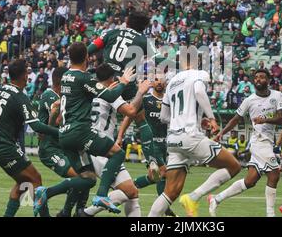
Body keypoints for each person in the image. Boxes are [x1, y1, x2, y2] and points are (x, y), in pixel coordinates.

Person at [34, 42, 135, 215]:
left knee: (87, 179)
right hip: (80, 132)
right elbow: (109, 95)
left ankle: (47, 192)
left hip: (65, 135)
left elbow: (86, 94)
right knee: (117, 153)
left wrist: (103, 88)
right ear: (87, 58)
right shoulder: (84, 77)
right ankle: (102, 195)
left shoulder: (66, 76)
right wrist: (123, 82)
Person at [148, 67, 241, 217]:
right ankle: (193, 197)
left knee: (170, 192)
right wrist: (211, 118)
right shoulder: (200, 74)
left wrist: (192, 120)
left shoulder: (172, 82)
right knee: (234, 166)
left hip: (173, 140)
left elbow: (164, 118)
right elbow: (199, 92)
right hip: (190, 136)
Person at [0, 59, 60, 217]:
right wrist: (60, 133)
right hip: (4, 146)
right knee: (36, 179)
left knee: (23, 182)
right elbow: (36, 126)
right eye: (27, 72)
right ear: (24, 76)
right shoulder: (20, 97)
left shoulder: (0, 89)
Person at [87, 11, 163, 180]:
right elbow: (159, 60)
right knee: (141, 119)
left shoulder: (110, 32)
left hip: (102, 77)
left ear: (127, 21)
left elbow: (89, 50)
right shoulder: (144, 40)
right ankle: (151, 161)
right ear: (143, 27)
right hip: (125, 79)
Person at [209, 69, 282, 217]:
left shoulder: (277, 95)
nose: (258, 79)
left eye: (262, 77)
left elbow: (281, 118)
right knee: (275, 174)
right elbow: (235, 119)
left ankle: (216, 199)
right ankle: (270, 214)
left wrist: (264, 120)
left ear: (268, 80)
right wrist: (221, 133)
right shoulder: (249, 100)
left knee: (250, 181)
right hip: (258, 142)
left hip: (268, 142)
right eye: (256, 77)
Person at [81, 63, 151, 217]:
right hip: (102, 150)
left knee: (132, 193)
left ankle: (85, 213)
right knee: (130, 190)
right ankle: (86, 213)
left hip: (89, 144)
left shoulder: (88, 90)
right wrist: (140, 92)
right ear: (112, 78)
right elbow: (131, 111)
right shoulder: (110, 93)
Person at [118, 76, 177, 216]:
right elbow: (129, 116)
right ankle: (165, 209)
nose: (159, 82)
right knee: (164, 173)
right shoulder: (145, 100)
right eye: (156, 79)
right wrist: (120, 135)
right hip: (150, 143)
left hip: (164, 144)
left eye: (162, 80)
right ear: (152, 82)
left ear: (166, 83)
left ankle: (130, 186)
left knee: (156, 177)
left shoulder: (170, 101)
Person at [37, 66, 89, 217]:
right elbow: (60, 120)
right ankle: (64, 211)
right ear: (60, 82)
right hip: (50, 149)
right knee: (78, 177)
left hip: (66, 146)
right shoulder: (50, 96)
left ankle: (78, 211)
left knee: (87, 176)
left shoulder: (65, 98)